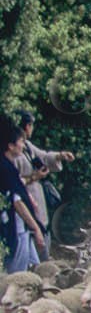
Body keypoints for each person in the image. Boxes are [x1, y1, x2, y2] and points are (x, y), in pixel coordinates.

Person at [17, 110, 74, 257]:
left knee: (43, 235)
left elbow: (43, 156)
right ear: (27, 126)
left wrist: (60, 155)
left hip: (37, 199)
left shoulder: (27, 146)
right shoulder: (13, 151)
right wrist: (34, 177)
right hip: (23, 200)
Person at [1, 114, 47, 273]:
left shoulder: (9, 166)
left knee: (34, 267)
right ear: (10, 146)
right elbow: (17, 202)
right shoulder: (6, 169)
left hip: (21, 228)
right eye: (21, 141)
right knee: (18, 274)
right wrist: (36, 228)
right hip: (16, 228)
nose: (23, 144)